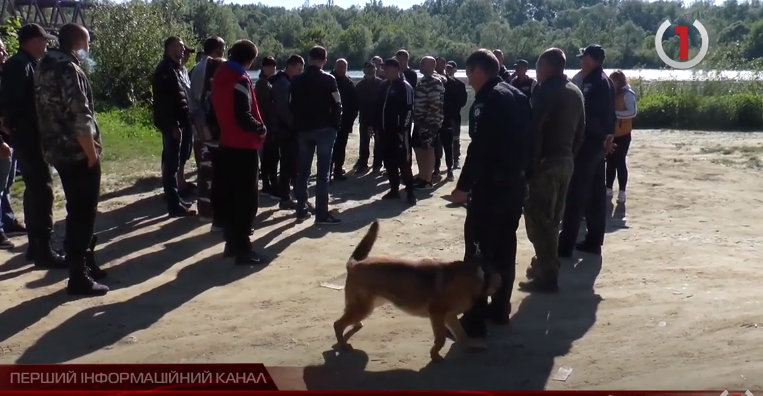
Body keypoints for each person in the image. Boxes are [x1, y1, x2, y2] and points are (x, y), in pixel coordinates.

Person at [448, 49, 531, 337]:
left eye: (469, 74)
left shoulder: (486, 101)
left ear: (479, 71)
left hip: (490, 190)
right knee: (506, 248)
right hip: (515, 187)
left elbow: (479, 148)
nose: (469, 81)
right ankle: (500, 308)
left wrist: (463, 187)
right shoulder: (519, 96)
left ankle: (474, 317)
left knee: (478, 253)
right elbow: (531, 143)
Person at [35, 23, 108, 295]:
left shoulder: (44, 64)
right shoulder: (68, 69)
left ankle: (87, 262)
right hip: (77, 151)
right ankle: (79, 277)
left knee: (76, 207)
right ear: (78, 43)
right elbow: (80, 116)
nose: (88, 49)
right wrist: (91, 154)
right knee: (83, 212)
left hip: (55, 147)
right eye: (86, 42)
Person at [519, 48, 586, 293]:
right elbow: (581, 130)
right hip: (566, 160)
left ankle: (547, 274)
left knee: (539, 220)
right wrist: (570, 155)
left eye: (538, 66)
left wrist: (531, 164)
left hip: (546, 163)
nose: (536, 71)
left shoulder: (546, 91)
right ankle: (545, 265)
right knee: (553, 218)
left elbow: (533, 129)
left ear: (547, 67)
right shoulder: (575, 91)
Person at [0, 23, 65, 267]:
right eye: (43, 39)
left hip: (31, 136)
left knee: (36, 190)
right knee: (42, 190)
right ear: (32, 40)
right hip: (30, 138)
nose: (47, 44)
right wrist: (14, 128)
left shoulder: (26, 63)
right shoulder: (19, 65)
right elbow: (17, 104)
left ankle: (36, 246)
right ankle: (42, 249)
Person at [210, 40, 268, 265]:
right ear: (250, 59)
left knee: (230, 197)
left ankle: (231, 243)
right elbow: (243, 115)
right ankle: (243, 249)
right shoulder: (240, 79)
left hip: (226, 143)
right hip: (243, 146)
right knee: (246, 200)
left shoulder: (219, 76)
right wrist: (261, 128)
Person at [558, 44, 616, 257]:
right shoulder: (604, 81)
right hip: (597, 145)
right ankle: (593, 240)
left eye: (584, 57)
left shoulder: (595, 82)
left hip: (589, 145)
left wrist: (601, 136)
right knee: (595, 195)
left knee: (576, 195)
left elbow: (590, 115)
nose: (581, 61)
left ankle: (565, 245)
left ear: (592, 59)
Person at [289, 46, 342, 225]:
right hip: (325, 129)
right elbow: (338, 104)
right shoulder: (329, 79)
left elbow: (292, 106)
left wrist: (297, 124)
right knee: (322, 173)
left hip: (303, 129)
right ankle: (321, 214)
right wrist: (335, 124)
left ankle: (301, 208)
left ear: (309, 58)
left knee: (302, 171)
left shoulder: (296, 81)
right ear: (325, 60)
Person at [152, 36, 195, 217]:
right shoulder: (165, 70)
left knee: (175, 162)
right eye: (179, 46)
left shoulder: (176, 69)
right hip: (173, 125)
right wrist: (173, 125)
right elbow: (163, 103)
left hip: (181, 123)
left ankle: (176, 199)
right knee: (170, 165)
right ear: (169, 48)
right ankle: (173, 205)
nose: (183, 50)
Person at [189, 36, 226, 221]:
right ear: (217, 49)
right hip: (210, 126)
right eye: (223, 48)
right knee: (211, 170)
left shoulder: (196, 67)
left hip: (199, 124)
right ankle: (209, 209)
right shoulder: (213, 68)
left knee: (203, 168)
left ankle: (204, 207)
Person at [374, 58, 417, 205]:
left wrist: (402, 130)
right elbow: (378, 109)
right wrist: (377, 128)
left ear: (395, 69)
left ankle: (410, 192)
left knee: (403, 162)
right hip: (384, 131)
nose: (383, 70)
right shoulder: (383, 86)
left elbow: (409, 111)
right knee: (388, 161)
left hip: (399, 132)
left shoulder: (405, 87)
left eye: (385, 67)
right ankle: (394, 189)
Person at [270, 54, 304, 211]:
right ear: (290, 66)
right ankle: (288, 197)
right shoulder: (283, 83)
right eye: (299, 69)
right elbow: (283, 109)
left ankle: (286, 196)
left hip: (284, 129)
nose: (300, 72)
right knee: (290, 164)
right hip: (286, 130)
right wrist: (294, 125)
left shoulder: (283, 81)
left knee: (288, 165)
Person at [411, 56, 444, 189]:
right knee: (419, 147)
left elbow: (435, 103)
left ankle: (427, 180)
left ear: (430, 65)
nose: (420, 65)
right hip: (420, 122)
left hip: (428, 123)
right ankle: (422, 176)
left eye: (422, 63)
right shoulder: (424, 80)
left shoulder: (434, 81)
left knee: (428, 149)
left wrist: (429, 122)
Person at [606, 70, 637, 204]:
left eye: (613, 80)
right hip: (612, 133)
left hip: (623, 134)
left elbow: (633, 112)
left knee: (620, 162)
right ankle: (608, 189)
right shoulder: (612, 93)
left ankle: (622, 191)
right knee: (610, 162)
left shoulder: (627, 94)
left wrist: (615, 114)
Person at [433, 57, 465, 181]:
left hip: (449, 117)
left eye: (441, 64)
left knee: (449, 144)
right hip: (435, 118)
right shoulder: (431, 82)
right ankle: (436, 167)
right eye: (437, 64)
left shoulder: (455, 83)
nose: (439, 67)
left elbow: (461, 101)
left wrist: (452, 113)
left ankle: (450, 168)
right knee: (436, 144)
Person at [330, 58, 358, 181]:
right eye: (339, 66)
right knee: (329, 148)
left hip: (345, 122)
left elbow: (354, 104)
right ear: (335, 66)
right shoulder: (328, 80)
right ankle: (327, 172)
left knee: (341, 147)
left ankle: (337, 171)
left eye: (344, 67)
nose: (342, 69)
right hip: (329, 121)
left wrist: (351, 120)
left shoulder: (349, 82)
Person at [256, 56, 279, 198]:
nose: (272, 69)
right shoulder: (262, 84)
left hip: (268, 124)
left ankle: (269, 183)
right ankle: (267, 185)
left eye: (273, 66)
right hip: (267, 125)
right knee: (269, 157)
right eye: (269, 66)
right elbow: (266, 107)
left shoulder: (267, 82)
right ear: (263, 68)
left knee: (270, 157)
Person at [354, 61, 383, 172]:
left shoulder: (382, 84)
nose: (370, 71)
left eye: (372, 69)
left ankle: (377, 164)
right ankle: (363, 163)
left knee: (379, 143)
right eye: (368, 69)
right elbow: (357, 104)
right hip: (365, 117)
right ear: (364, 71)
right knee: (364, 142)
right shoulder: (360, 86)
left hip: (378, 118)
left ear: (376, 70)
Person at [177, 45, 196, 198]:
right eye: (185, 53)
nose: (187, 56)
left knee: (185, 150)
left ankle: (181, 179)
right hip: (178, 118)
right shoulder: (173, 71)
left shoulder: (184, 71)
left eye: (189, 54)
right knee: (176, 152)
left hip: (188, 115)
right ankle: (176, 184)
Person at [445, 60, 467, 169]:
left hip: (454, 115)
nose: (448, 70)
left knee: (455, 138)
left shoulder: (460, 84)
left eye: (450, 68)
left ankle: (456, 160)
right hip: (443, 115)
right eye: (447, 68)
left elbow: (463, 101)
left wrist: (454, 105)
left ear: (455, 70)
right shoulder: (442, 82)